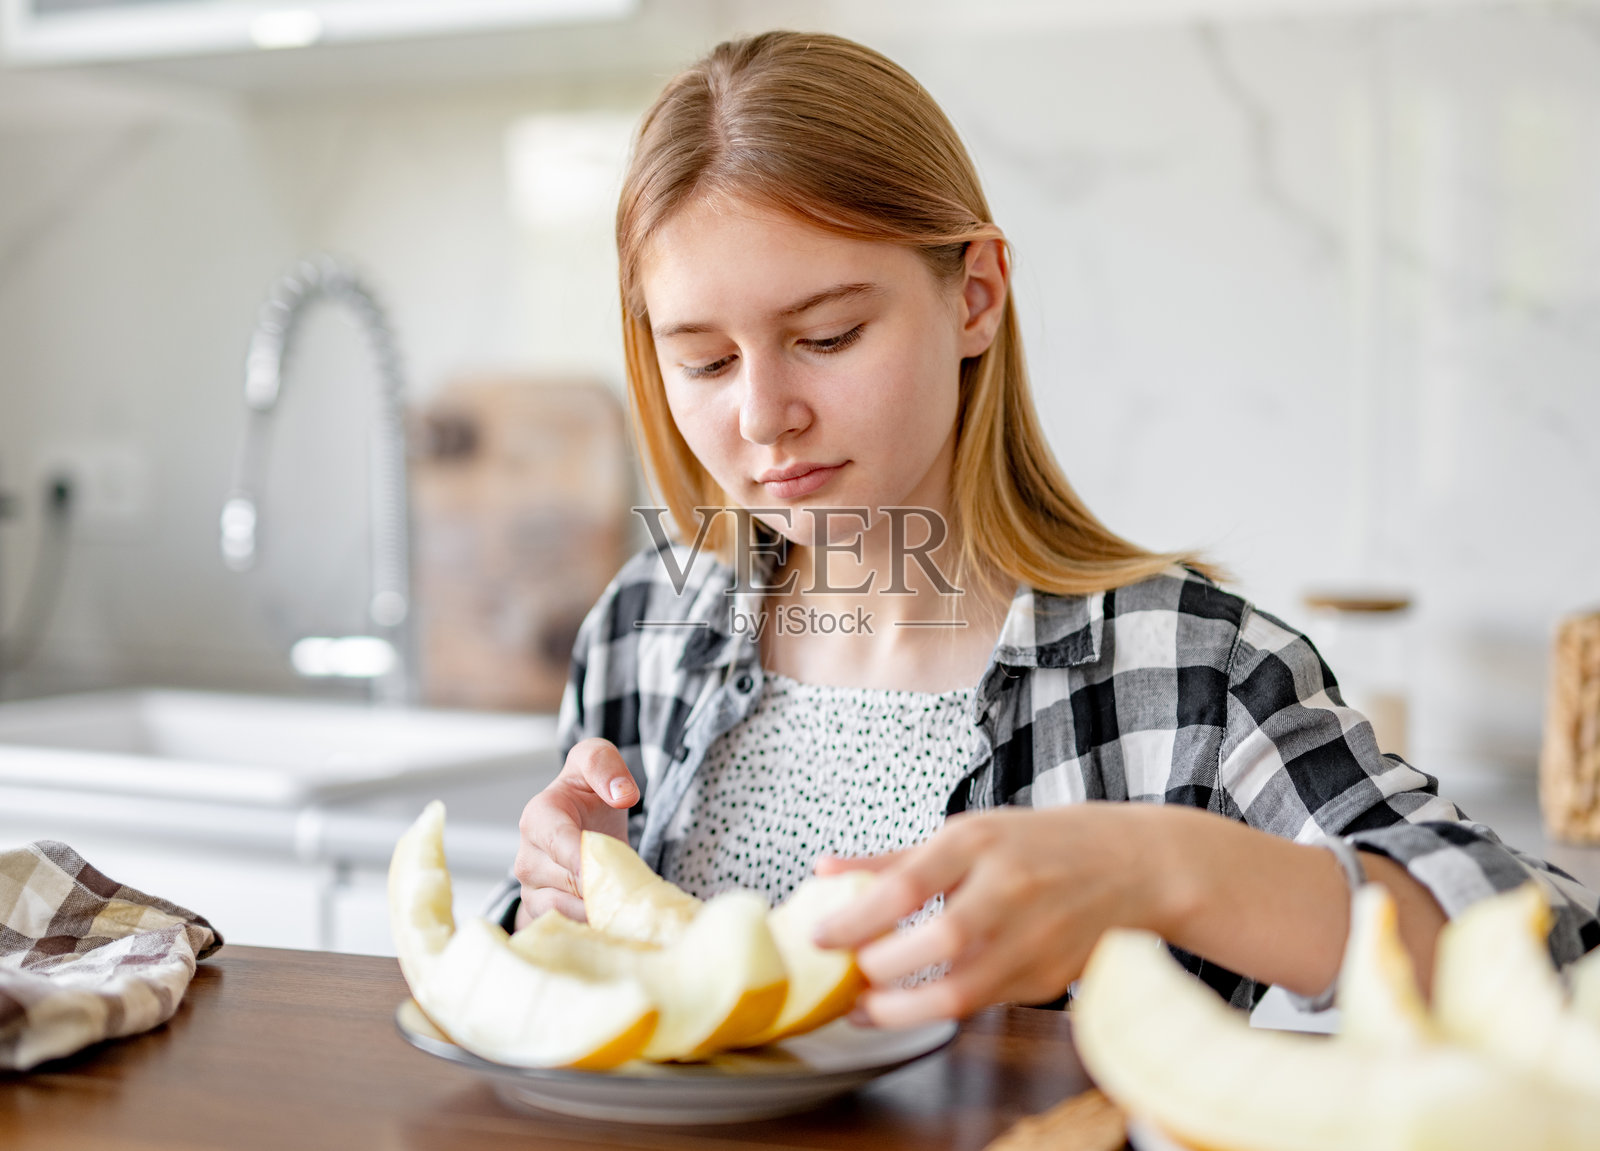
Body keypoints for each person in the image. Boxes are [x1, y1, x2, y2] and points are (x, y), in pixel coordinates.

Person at [487, 30, 1599, 1026]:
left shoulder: (1194, 673)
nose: (763, 414)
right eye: (704, 361)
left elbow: (1551, 952)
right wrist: (554, 903)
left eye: (826, 337)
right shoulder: (643, 630)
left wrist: (1168, 870)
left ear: (974, 296)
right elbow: (542, 1011)